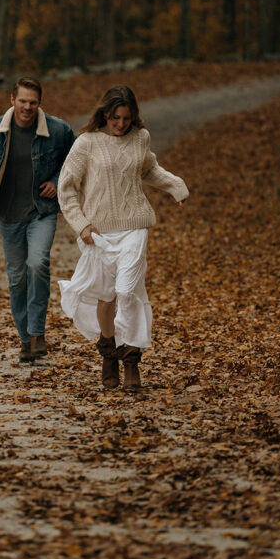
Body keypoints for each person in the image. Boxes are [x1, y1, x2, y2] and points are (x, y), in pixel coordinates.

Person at [57, 85, 189, 392]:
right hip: (98, 232)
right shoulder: (86, 144)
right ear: (105, 114)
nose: (121, 124)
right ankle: (108, 351)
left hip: (134, 226)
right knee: (107, 298)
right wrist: (82, 225)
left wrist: (175, 185)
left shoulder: (140, 138)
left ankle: (131, 359)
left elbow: (149, 169)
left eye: (126, 118)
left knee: (127, 291)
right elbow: (67, 188)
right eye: (115, 118)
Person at [0, 76, 75, 363]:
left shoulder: (58, 129)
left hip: (41, 212)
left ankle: (38, 333)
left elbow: (75, 161)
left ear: (40, 103)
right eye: (22, 101)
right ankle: (25, 339)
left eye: (33, 102)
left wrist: (56, 180)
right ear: (12, 100)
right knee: (17, 278)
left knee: (37, 263)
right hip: (9, 215)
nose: (27, 107)